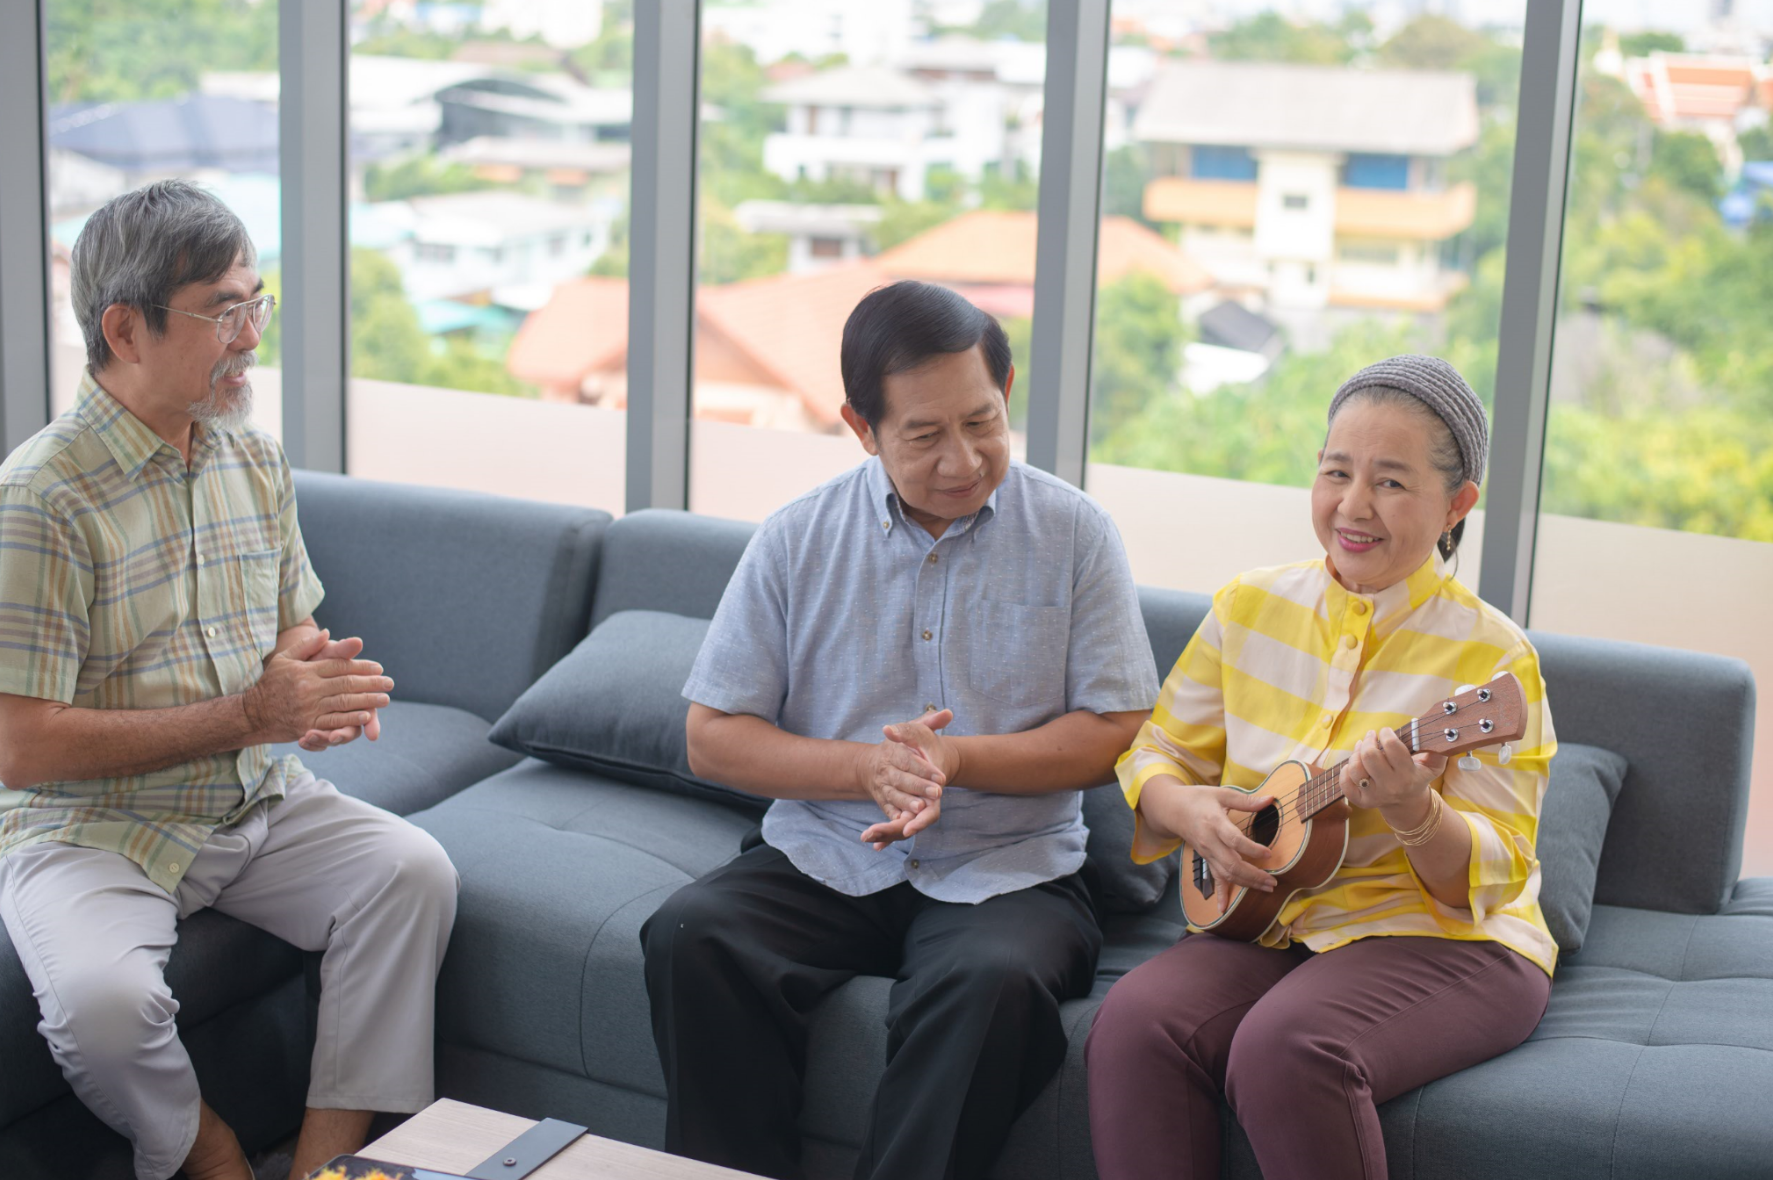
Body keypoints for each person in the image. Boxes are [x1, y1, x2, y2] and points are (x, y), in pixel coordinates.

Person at [641, 280, 1160, 1180]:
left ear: (1005, 386)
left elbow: (1119, 728)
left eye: (982, 421)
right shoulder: (795, 539)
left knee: (987, 985)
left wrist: (954, 760)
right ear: (860, 426)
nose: (962, 459)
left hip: (1011, 870)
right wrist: (862, 772)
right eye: (923, 435)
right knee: (692, 935)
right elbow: (712, 736)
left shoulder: (1075, 534)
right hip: (826, 855)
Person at [0, 181, 458, 1180]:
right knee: (103, 1009)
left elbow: (290, 626)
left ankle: (325, 1163)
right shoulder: (40, 500)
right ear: (126, 327)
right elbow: (22, 746)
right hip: (93, 827)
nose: (251, 334)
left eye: (257, 302)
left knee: (410, 871)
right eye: (223, 310)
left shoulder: (253, 457)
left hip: (250, 800)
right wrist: (256, 711)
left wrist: (311, 680)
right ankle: (212, 1158)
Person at [1086, 356, 1558, 1180]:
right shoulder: (1248, 605)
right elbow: (1155, 749)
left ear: (1457, 505)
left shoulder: (1494, 662)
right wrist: (1185, 810)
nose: (1351, 505)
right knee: (1131, 1023)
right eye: (1334, 472)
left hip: (1448, 940)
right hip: (1268, 912)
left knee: (1289, 1047)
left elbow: (1489, 875)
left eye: (1390, 482)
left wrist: (1415, 811)